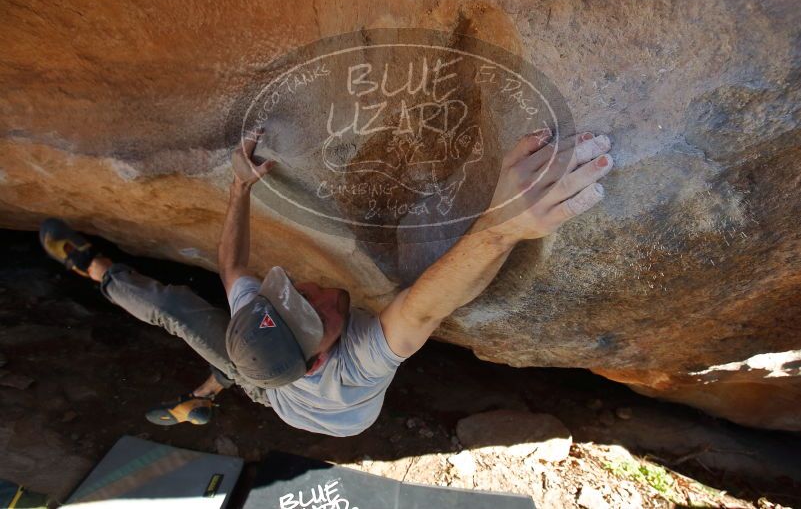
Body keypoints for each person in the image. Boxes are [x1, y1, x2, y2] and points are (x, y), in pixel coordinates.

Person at [39, 127, 613, 437]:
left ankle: (190, 377)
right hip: (290, 402)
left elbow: (233, 267)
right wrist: (504, 225)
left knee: (181, 313)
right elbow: (422, 307)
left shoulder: (260, 319)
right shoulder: (356, 365)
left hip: (265, 371)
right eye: (312, 311)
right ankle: (106, 283)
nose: (314, 288)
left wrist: (240, 188)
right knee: (234, 362)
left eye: (291, 294)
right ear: (318, 358)